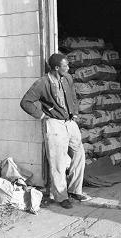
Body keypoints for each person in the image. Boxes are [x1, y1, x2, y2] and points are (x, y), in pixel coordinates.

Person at [20, 53, 91, 209]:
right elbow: (25, 102)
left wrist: (75, 112)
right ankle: (61, 196)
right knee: (58, 161)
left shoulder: (67, 78)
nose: (68, 68)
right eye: (65, 65)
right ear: (56, 68)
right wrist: (42, 115)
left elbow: (72, 95)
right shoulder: (42, 83)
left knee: (78, 154)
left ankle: (75, 190)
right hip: (55, 124)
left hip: (70, 122)